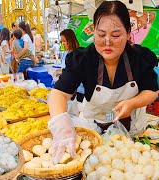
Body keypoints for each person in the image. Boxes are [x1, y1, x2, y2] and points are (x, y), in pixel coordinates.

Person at [48, 1, 158, 164]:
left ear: (128, 34)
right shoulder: (83, 59)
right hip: (94, 132)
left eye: (115, 35)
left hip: (132, 134)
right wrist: (61, 124)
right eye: (100, 34)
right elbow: (59, 93)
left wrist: (133, 103)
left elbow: (151, 90)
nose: (107, 41)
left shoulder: (139, 58)